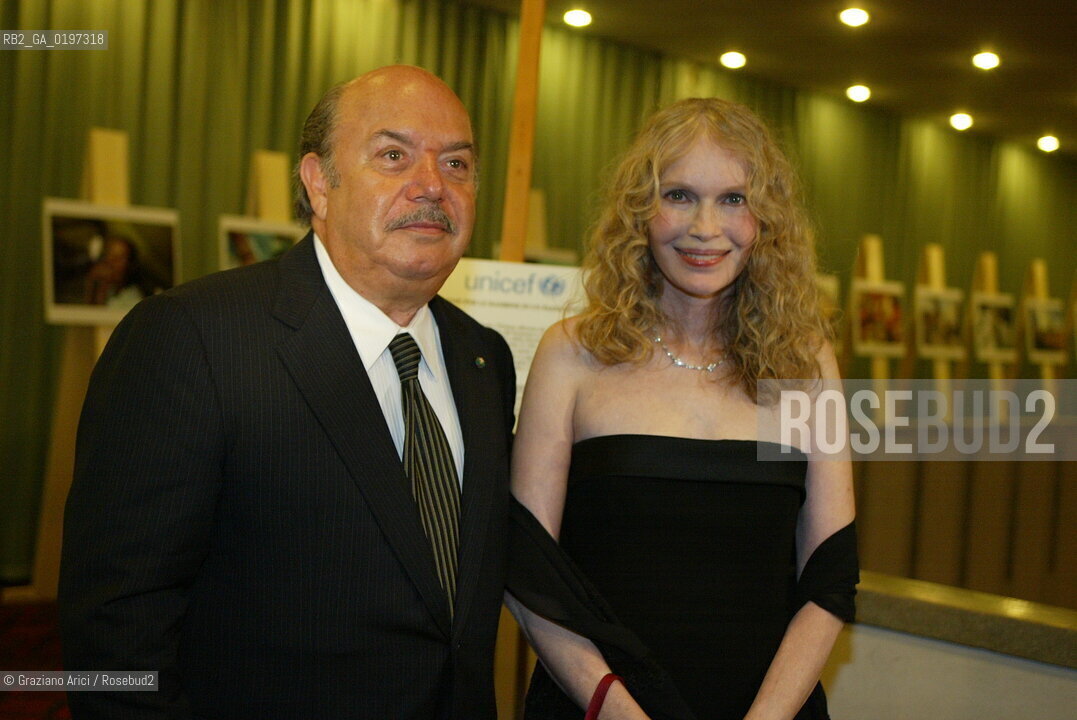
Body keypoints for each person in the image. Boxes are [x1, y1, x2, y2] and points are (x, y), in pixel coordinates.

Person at [60, 65, 516, 719]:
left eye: (458, 164)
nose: (432, 187)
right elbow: (117, 625)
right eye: (393, 156)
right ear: (318, 184)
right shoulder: (192, 340)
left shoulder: (482, 360)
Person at [505, 97, 858, 720]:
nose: (703, 227)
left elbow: (827, 580)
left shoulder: (803, 364)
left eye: (733, 199)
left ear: (765, 220)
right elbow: (532, 574)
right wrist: (617, 711)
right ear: (640, 210)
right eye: (678, 195)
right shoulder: (573, 355)